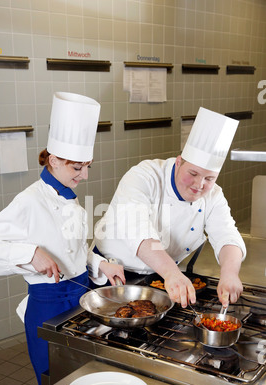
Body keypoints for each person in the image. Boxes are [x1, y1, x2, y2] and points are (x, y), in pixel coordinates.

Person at [0, 92, 125, 385]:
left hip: (82, 301)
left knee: (87, 381)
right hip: (48, 309)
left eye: (87, 166)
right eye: (77, 168)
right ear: (53, 160)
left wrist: (100, 263)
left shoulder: (72, 203)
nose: (85, 175)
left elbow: (75, 254)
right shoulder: (28, 201)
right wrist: (31, 253)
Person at [93, 107, 246, 309]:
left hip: (160, 277)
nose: (199, 185)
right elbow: (137, 231)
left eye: (209, 178)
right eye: (192, 173)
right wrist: (172, 273)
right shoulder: (144, 176)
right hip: (113, 274)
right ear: (179, 161)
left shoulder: (214, 194)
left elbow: (227, 234)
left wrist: (230, 273)